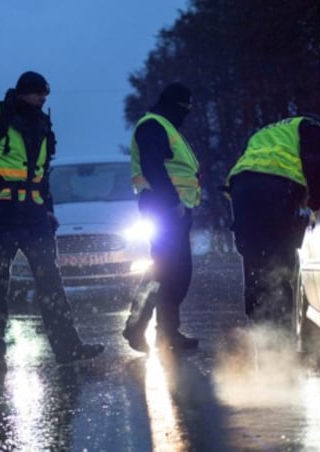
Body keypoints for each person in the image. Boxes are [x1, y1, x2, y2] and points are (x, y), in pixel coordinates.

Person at [0, 70, 104, 372]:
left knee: (51, 282)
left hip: (34, 216)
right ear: (23, 93)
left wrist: (48, 209)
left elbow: (42, 173)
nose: (43, 100)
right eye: (39, 94)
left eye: (46, 95)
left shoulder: (43, 124)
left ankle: (68, 348)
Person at [226, 115, 320, 326]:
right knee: (279, 257)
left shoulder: (269, 131)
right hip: (275, 188)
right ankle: (280, 320)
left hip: (241, 188)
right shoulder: (313, 130)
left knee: (254, 257)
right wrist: (317, 204)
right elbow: (317, 168)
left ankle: (258, 319)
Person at [122, 82, 201, 353]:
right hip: (164, 207)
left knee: (175, 272)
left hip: (174, 208)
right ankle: (141, 328)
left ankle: (167, 331)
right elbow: (153, 167)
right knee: (165, 270)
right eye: (184, 107)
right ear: (174, 104)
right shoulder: (153, 125)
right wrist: (172, 202)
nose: (187, 113)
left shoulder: (165, 126)